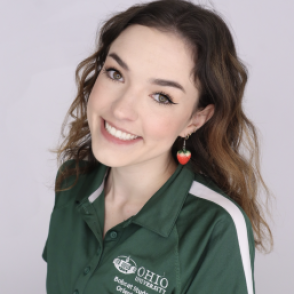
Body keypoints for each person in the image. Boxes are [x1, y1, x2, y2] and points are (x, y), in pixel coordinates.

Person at [42, 0, 273, 293]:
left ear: (195, 119)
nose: (121, 109)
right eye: (116, 73)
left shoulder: (216, 227)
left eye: (161, 96)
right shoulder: (71, 179)